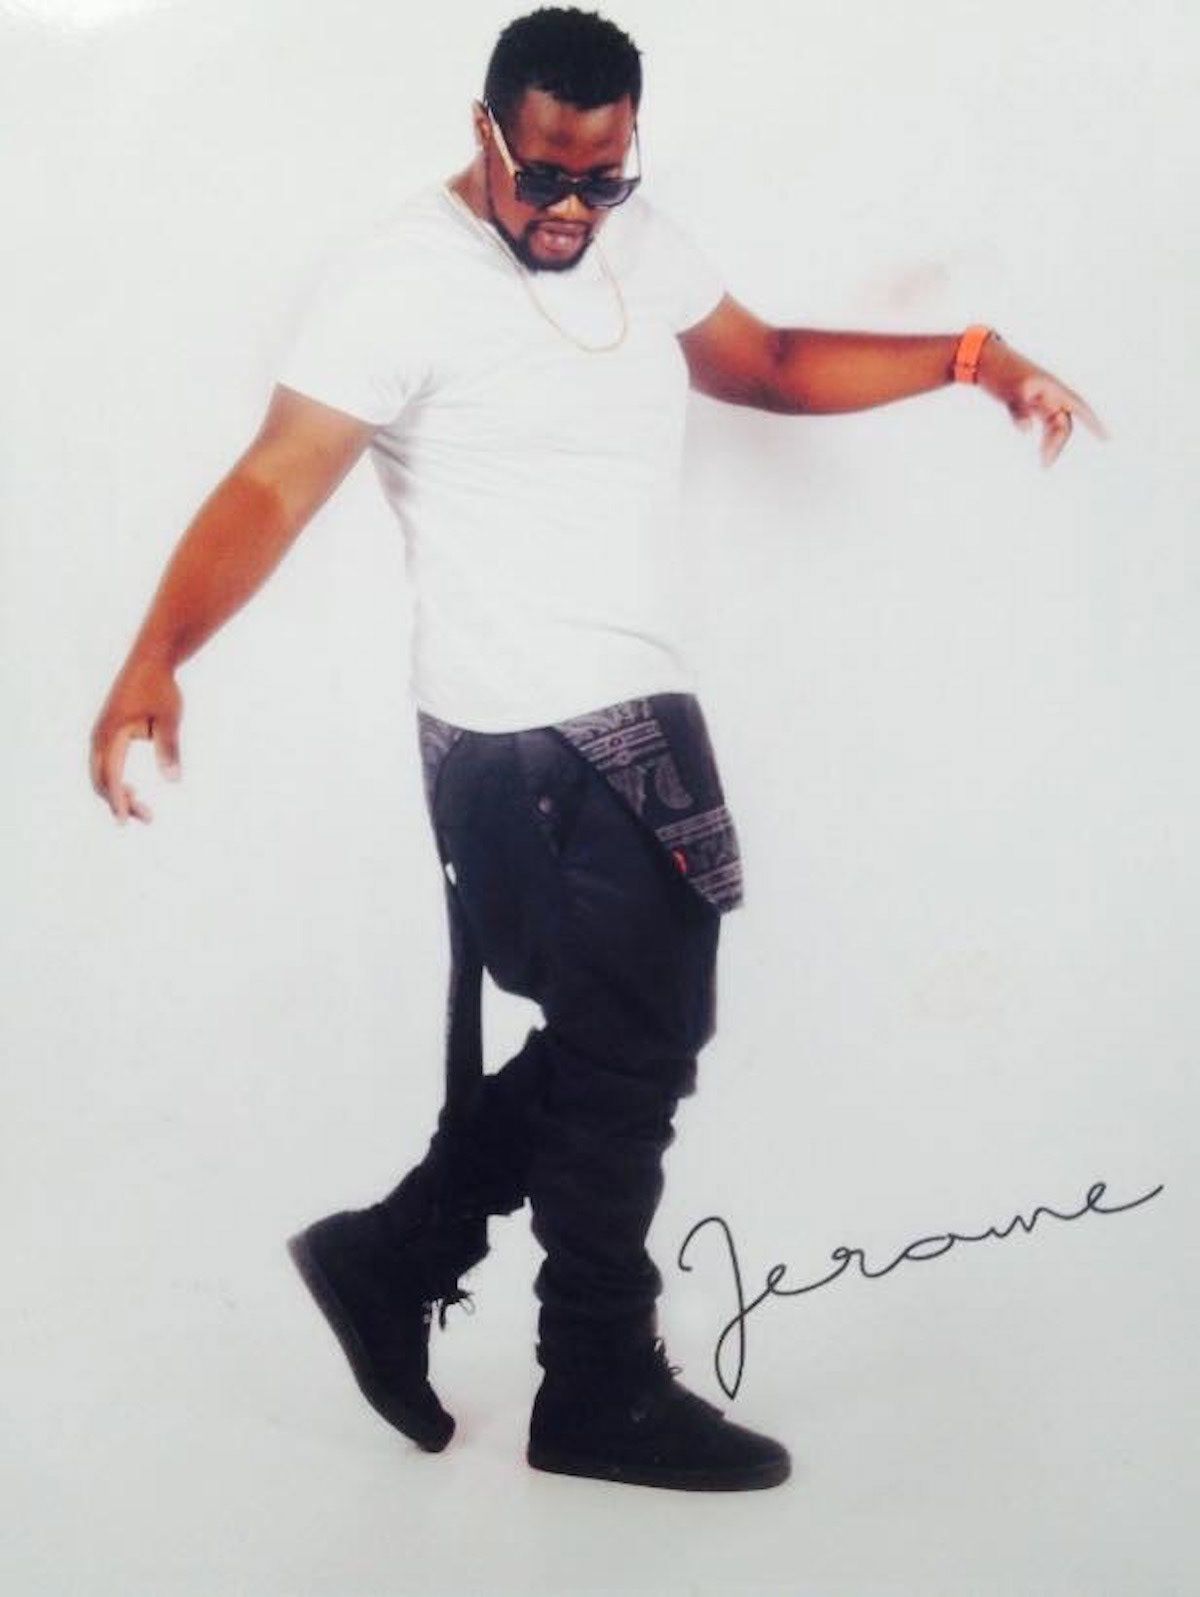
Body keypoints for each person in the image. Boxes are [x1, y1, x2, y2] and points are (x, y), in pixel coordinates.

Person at [88, 7, 1102, 1493]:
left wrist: (971, 357)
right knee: (632, 1050)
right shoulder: (399, 280)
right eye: (545, 174)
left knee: (635, 1040)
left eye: (604, 178)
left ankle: (401, 1257)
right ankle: (594, 1381)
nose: (571, 208)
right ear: (485, 131)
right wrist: (157, 653)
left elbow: (763, 360)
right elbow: (273, 482)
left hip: (627, 704)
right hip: (522, 737)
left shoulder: (636, 241)